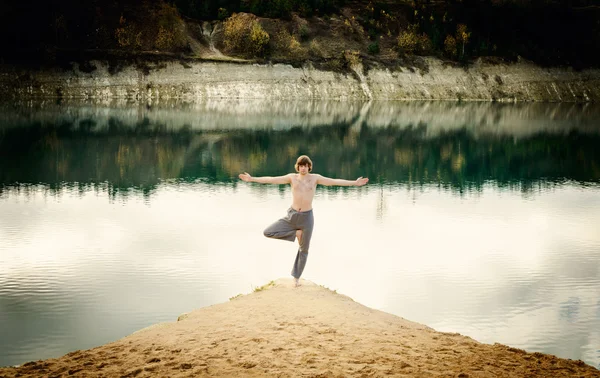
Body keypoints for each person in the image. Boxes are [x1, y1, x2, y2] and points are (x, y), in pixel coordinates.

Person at [239, 155, 369, 287]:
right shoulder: (292, 178)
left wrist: (354, 183)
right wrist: (251, 179)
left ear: (309, 167)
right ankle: (295, 234)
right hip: (292, 216)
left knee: (304, 250)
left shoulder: (315, 178)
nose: (303, 168)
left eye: (305, 166)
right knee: (268, 232)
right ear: (298, 167)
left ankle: (296, 278)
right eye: (301, 166)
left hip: (307, 218)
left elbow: (334, 181)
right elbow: (271, 179)